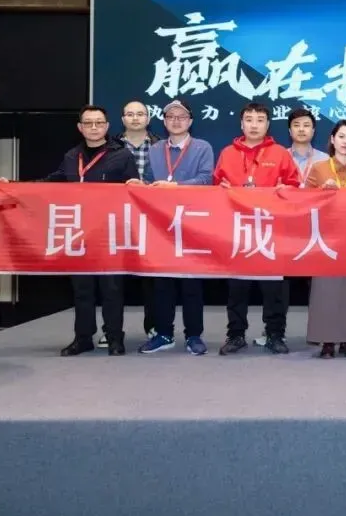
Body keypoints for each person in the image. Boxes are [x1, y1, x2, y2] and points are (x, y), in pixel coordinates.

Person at [0, 105, 141, 356]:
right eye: (88, 123)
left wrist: (136, 185)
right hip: (77, 233)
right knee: (82, 290)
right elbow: (53, 181)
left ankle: (115, 337)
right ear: (80, 127)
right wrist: (14, 186)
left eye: (99, 123)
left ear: (107, 126)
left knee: (112, 289)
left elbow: (133, 188)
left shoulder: (122, 155)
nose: (94, 127)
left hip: (109, 233)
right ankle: (83, 338)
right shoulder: (72, 156)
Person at [213, 102, 302, 356]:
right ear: (241, 124)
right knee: (237, 288)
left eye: (260, 120)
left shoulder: (280, 153)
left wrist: (286, 189)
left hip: (271, 231)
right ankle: (235, 335)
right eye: (249, 120)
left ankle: (275, 334)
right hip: (238, 230)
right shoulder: (228, 153)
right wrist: (221, 190)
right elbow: (215, 186)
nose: (254, 125)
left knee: (274, 289)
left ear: (268, 124)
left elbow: (295, 185)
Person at [139, 99, 215, 356]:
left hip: (192, 223)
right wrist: (139, 185)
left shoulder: (203, 147)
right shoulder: (155, 149)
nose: (176, 121)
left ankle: (194, 335)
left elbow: (206, 179)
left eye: (181, 117)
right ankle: (164, 333)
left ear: (190, 121)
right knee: (162, 284)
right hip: (161, 225)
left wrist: (175, 187)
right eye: (170, 116)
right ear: (164, 121)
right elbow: (149, 180)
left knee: (192, 284)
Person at [306, 119, 346, 358]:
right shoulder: (319, 168)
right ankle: (326, 340)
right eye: (341, 137)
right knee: (326, 291)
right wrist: (321, 192)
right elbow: (303, 203)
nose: (345, 142)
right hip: (326, 239)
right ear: (332, 140)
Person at [113, 99, 161, 345]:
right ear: (122, 119)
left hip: (151, 218)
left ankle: (153, 326)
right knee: (113, 279)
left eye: (140, 114)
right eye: (130, 114)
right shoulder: (110, 147)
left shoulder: (160, 146)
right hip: (116, 217)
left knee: (152, 278)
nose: (135, 118)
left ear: (148, 118)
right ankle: (112, 331)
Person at [287, 107, 329, 187]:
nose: (301, 129)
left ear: (313, 131)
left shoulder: (325, 159)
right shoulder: (281, 157)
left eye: (306, 125)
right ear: (290, 131)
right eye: (296, 125)